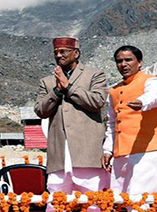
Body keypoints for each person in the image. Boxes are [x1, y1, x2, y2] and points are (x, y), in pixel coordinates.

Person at [35, 37, 109, 198]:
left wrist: (68, 87)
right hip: (59, 155)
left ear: (76, 53)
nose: (59, 55)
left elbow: (97, 101)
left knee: (93, 201)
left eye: (63, 51)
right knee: (57, 201)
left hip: (87, 153)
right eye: (56, 52)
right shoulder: (47, 82)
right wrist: (56, 91)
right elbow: (40, 110)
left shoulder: (94, 75)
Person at [101, 45, 157, 194]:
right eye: (119, 61)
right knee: (122, 200)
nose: (123, 64)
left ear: (139, 62)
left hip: (147, 152)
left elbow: (155, 95)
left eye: (128, 60)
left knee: (141, 201)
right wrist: (107, 149)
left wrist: (142, 102)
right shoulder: (113, 90)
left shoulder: (151, 81)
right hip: (121, 154)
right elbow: (112, 124)